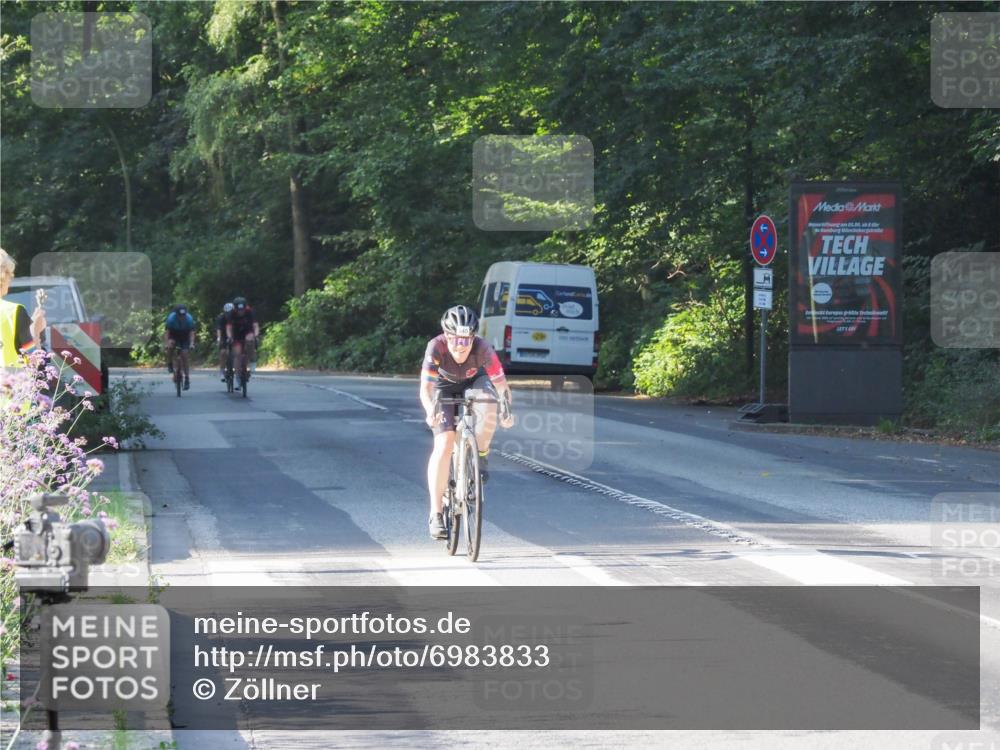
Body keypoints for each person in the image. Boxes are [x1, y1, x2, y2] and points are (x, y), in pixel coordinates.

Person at [420, 304, 513, 540]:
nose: (460, 347)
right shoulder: (436, 347)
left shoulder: (483, 349)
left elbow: (502, 386)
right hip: (443, 386)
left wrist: (506, 410)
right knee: (444, 442)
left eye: (466, 340)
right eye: (455, 340)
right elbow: (426, 389)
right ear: (446, 336)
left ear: (473, 337)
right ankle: (436, 513)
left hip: (475, 382)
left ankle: (480, 454)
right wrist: (431, 410)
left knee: (489, 401)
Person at [0, 247, 46, 370]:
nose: (11, 279)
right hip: (9, 386)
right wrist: (35, 330)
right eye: (10, 274)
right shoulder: (13, 312)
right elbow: (35, 364)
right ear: (3, 276)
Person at [225, 296, 259, 384]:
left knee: (250, 340)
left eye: (242, 310)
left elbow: (255, 326)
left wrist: (255, 335)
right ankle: (237, 375)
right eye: (239, 310)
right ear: (235, 309)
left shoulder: (250, 312)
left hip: (248, 331)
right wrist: (229, 337)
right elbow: (228, 328)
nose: (241, 312)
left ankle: (252, 360)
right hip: (236, 333)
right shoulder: (231, 314)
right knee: (237, 354)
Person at [164, 304, 196, 390]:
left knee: (185, 355)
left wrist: (192, 343)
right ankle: (170, 363)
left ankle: (187, 379)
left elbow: (192, 333)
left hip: (184, 336)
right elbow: (167, 333)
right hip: (174, 335)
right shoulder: (171, 319)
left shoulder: (189, 319)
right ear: (176, 314)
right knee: (170, 346)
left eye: (183, 315)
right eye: (180, 315)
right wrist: (166, 343)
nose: (182, 317)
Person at [216, 302, 234, 381]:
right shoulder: (221, 317)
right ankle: (222, 371)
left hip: (234, 334)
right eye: (227, 313)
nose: (229, 314)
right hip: (224, 335)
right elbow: (219, 329)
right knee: (223, 352)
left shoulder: (237, 317)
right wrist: (219, 338)